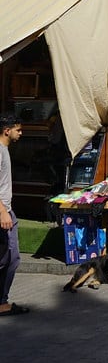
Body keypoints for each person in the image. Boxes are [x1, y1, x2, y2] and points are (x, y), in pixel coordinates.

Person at [0, 114, 29, 316]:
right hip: (3, 212)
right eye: (18, 129)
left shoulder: (5, 150)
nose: (21, 133)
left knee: (11, 258)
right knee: (8, 258)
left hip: (8, 210)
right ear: (6, 130)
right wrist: (3, 212)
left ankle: (2, 301)